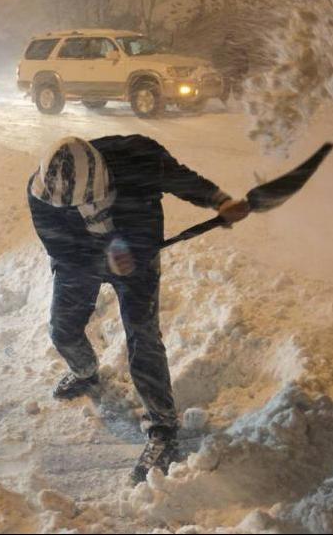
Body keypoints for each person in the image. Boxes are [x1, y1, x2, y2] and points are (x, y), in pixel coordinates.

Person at [27, 134, 250, 483]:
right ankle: (85, 371)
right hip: (80, 259)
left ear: (105, 178)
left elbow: (179, 177)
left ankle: (163, 427)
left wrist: (218, 199)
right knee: (62, 330)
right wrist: (105, 256)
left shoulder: (137, 156)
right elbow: (61, 250)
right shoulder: (42, 191)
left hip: (138, 252)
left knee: (143, 337)